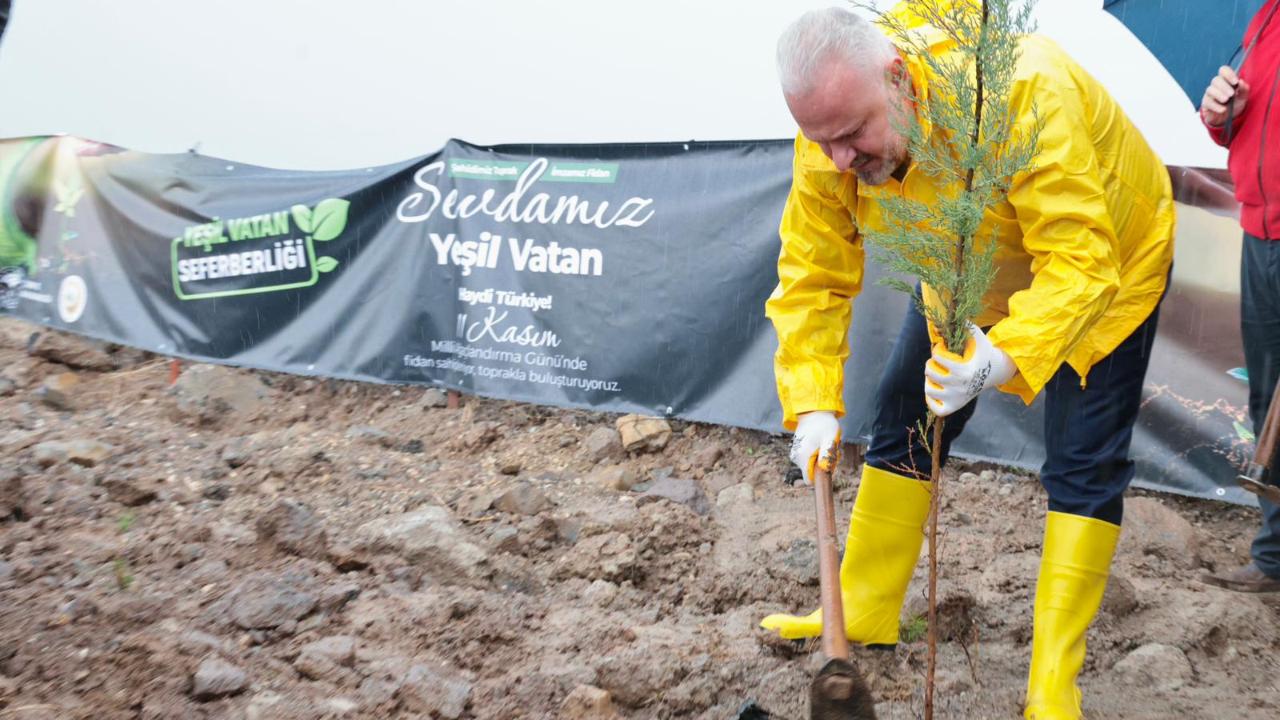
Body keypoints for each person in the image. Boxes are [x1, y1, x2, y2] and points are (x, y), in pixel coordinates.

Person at [759, 6, 1174, 719]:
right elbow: (811, 275)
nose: (840, 160)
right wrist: (815, 402)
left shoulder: (1021, 88)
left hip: (1107, 266)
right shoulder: (832, 133)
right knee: (906, 413)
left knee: (1082, 460)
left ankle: (1051, 686)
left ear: (898, 78)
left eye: (853, 135)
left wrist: (1005, 357)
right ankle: (862, 607)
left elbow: (1080, 260)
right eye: (822, 141)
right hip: (963, 265)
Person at [1199, 0, 1280, 594]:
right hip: (1261, 233)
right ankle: (1275, 558)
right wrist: (1221, 114)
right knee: (1268, 399)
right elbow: (1242, 131)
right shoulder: (1267, 17)